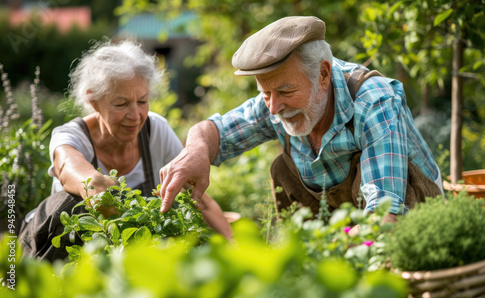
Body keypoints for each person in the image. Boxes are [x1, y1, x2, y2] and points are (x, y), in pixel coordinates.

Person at [158, 16, 444, 223]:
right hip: (342, 235)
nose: (273, 108)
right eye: (265, 93)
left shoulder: (373, 101)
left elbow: (387, 211)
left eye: (285, 91)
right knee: (283, 169)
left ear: (322, 74)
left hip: (412, 226)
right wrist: (197, 149)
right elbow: (216, 131)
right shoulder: (276, 99)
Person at [20, 39, 232, 261]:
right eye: (121, 104)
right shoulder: (71, 135)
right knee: (71, 203)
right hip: (64, 255)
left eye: (142, 101)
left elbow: (198, 199)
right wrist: (94, 185)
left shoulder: (156, 130)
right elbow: (66, 164)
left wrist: (232, 244)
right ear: (94, 100)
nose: (135, 115)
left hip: (134, 260)